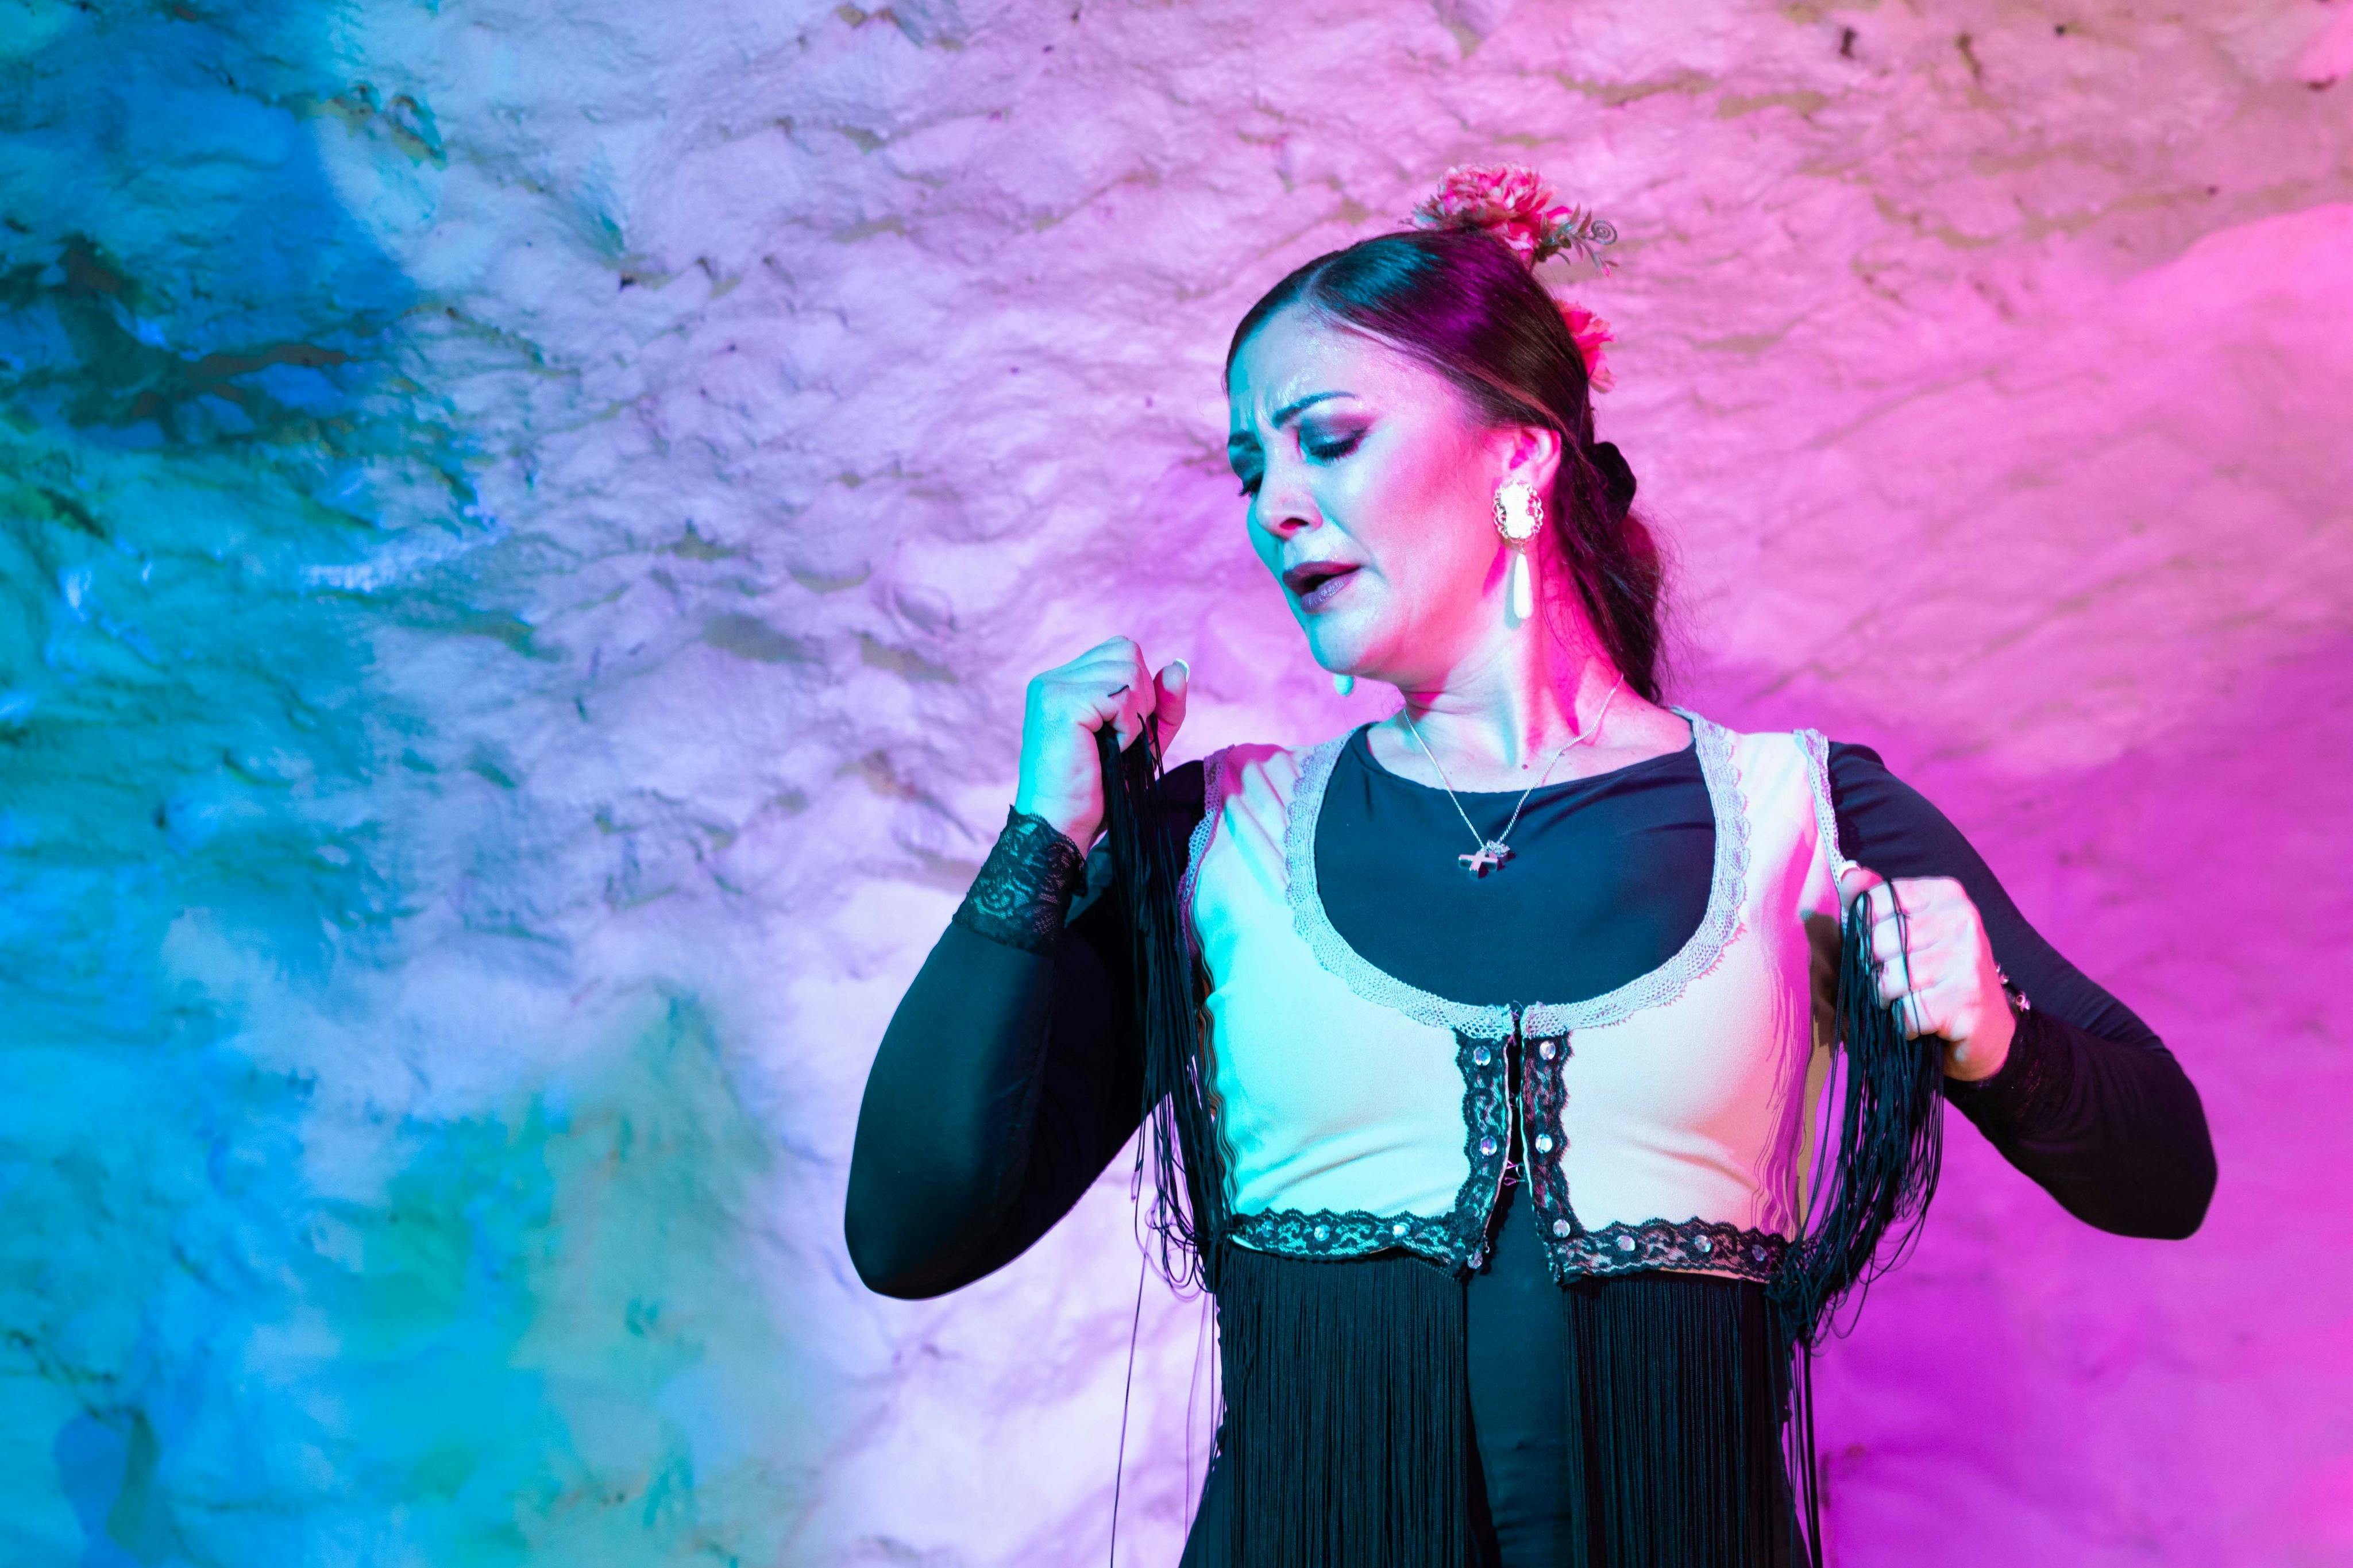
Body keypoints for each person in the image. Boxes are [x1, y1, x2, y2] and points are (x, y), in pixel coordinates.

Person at [842, 165, 2216, 1567]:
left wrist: (1996, 1042)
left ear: (1517, 456)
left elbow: (2162, 1173)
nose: (1274, 507)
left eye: (1327, 440)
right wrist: (1038, 847)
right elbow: (912, 1232)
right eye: (1253, 470)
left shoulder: (1795, 812)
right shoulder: (1226, 837)